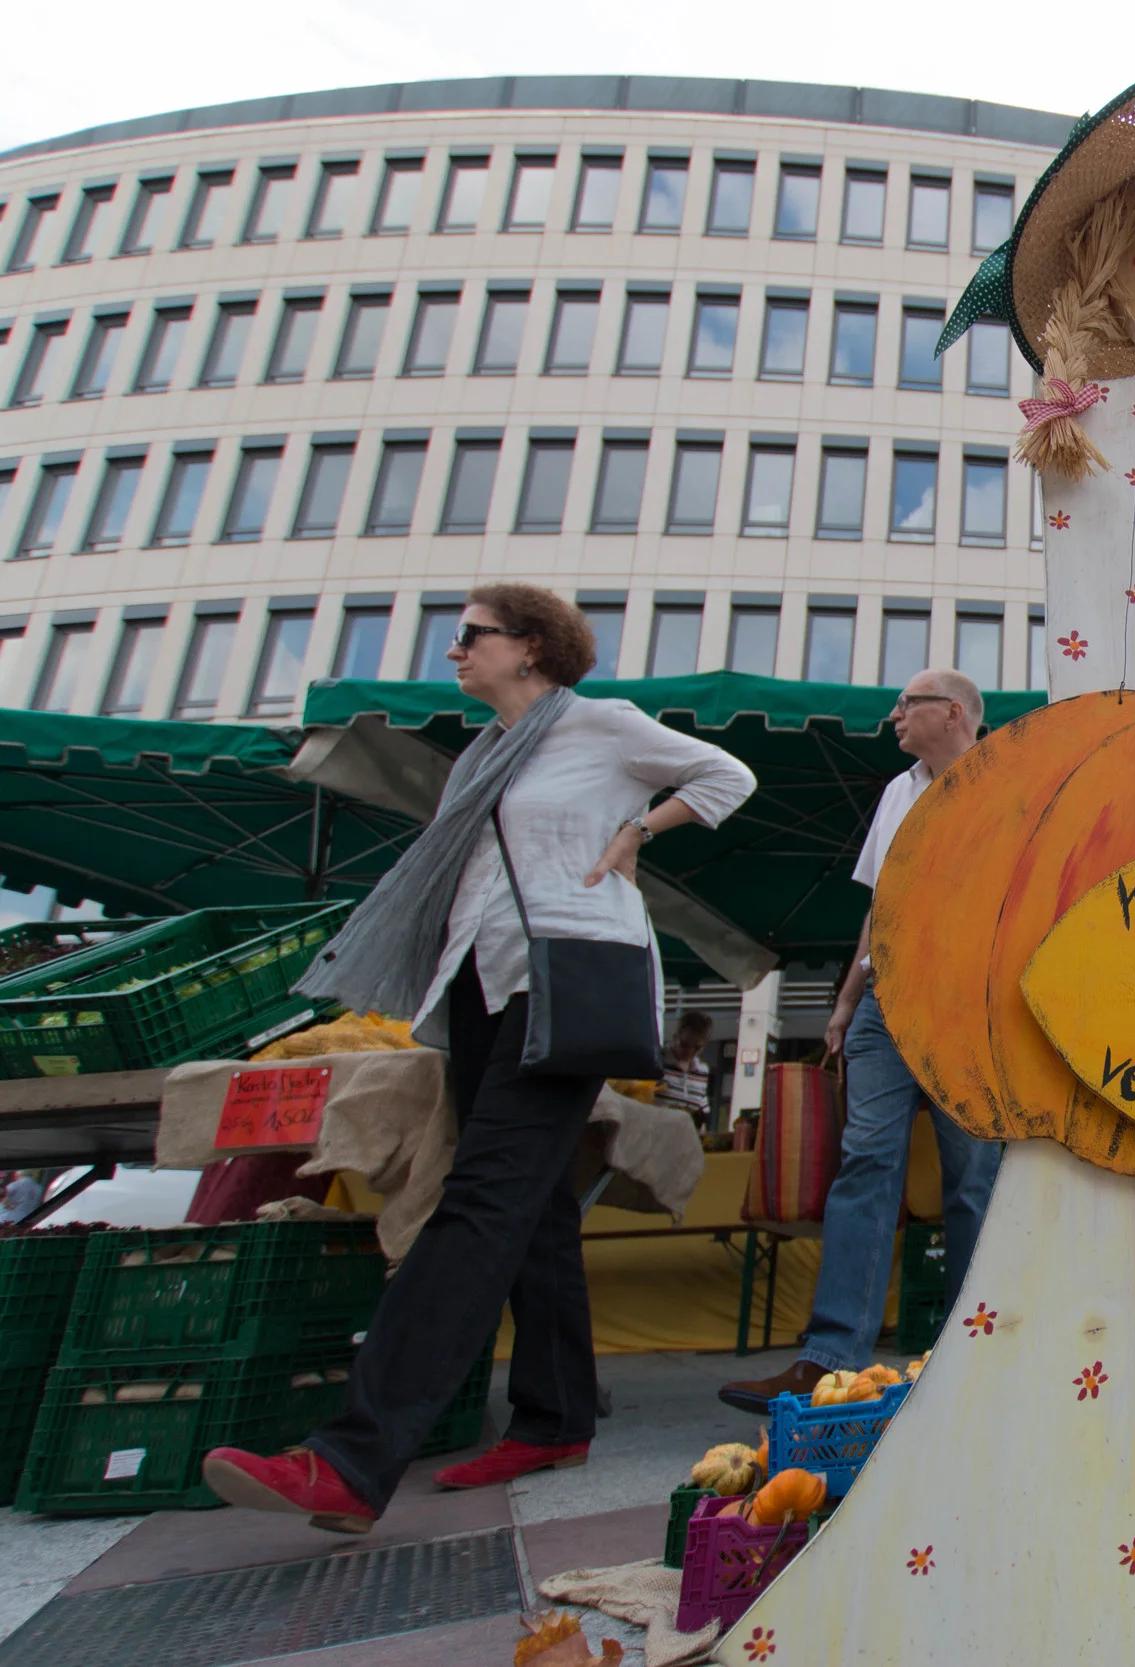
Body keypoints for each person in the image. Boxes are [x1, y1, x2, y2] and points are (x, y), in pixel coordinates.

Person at [201, 584, 756, 1533]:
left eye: (470, 636)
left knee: (479, 1202)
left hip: (564, 985)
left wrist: (637, 831)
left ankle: (351, 1456)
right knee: (531, 1207)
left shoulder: (600, 724)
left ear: (532, 647)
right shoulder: (486, 756)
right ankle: (552, 1418)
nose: (453, 652)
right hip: (480, 987)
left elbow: (726, 776)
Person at [720, 670, 1005, 1411]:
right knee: (865, 1159)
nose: (893, 716)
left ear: (950, 712)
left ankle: (968, 1352)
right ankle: (829, 1358)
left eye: (905, 704)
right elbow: (882, 905)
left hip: (969, 1004)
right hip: (888, 996)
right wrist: (846, 1001)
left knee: (972, 1177)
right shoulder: (897, 791)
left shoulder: (1011, 780)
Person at [655, 1009, 716, 1124]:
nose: (690, 1051)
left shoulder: (702, 1071)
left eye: (697, 1047)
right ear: (675, 1037)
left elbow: (702, 1109)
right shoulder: (657, 1061)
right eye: (684, 1045)